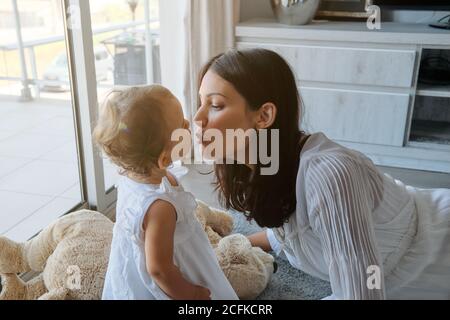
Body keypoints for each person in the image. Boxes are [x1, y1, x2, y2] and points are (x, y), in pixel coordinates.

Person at [194, 48, 450, 300]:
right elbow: (291, 231)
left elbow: (362, 294)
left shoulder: (330, 177)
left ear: (264, 116)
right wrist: (231, 246)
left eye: (215, 105)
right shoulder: (265, 166)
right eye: (200, 102)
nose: (197, 117)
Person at [95, 85, 238, 300]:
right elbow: (159, 269)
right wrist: (190, 293)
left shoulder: (131, 174)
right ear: (164, 159)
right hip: (173, 275)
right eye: (182, 126)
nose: (189, 124)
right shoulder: (160, 207)